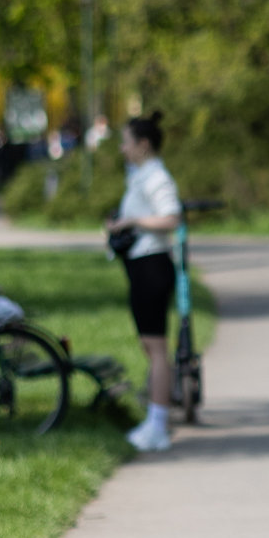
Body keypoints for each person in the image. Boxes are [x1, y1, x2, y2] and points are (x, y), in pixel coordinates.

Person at [105, 112, 182, 453]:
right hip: (141, 265)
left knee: (157, 349)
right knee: (150, 347)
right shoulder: (141, 176)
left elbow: (171, 218)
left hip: (153, 265)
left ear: (143, 144)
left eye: (126, 141)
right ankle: (154, 417)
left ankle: (159, 423)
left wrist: (132, 221)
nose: (122, 148)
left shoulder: (156, 178)